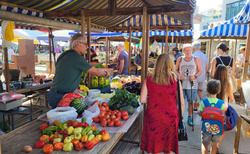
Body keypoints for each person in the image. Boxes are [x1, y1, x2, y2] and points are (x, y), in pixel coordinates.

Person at [47, 33, 110, 108]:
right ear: (77, 44)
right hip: (61, 97)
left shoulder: (64, 55)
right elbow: (97, 72)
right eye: (85, 44)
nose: (87, 47)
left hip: (53, 94)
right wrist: (106, 73)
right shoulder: (77, 57)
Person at [140, 53, 185, 154]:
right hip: (170, 118)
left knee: (154, 146)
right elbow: (181, 102)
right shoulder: (175, 81)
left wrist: (153, 96)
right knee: (167, 147)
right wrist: (179, 118)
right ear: (170, 65)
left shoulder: (149, 79)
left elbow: (142, 100)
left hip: (153, 117)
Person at [175, 44, 202, 126]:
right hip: (181, 84)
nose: (188, 52)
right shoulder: (179, 59)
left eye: (189, 50)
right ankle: (180, 117)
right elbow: (175, 70)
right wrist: (179, 75)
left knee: (191, 102)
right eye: (186, 50)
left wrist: (195, 76)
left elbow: (200, 70)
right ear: (183, 51)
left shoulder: (196, 59)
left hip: (192, 84)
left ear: (192, 50)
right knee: (180, 102)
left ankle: (190, 117)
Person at [198, 79, 226, 154]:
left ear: (207, 90)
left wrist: (198, 107)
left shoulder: (204, 102)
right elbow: (223, 116)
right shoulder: (221, 103)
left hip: (206, 127)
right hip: (217, 128)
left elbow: (200, 113)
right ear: (219, 91)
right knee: (214, 145)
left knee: (204, 145)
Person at [213, 64, 235, 153]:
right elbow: (232, 99)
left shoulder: (212, 82)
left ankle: (214, 145)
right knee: (223, 129)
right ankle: (217, 145)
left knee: (214, 127)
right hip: (223, 110)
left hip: (213, 109)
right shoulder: (227, 84)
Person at [192, 41, 209, 112]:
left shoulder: (192, 56)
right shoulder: (205, 56)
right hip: (202, 76)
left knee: (194, 92)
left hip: (194, 76)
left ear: (193, 48)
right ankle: (203, 107)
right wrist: (203, 74)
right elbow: (206, 68)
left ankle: (195, 107)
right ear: (200, 47)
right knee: (200, 91)